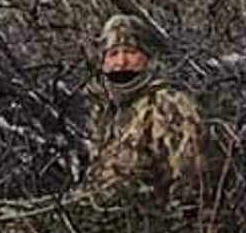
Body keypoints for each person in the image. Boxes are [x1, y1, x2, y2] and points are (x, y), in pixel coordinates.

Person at [82, 14, 205, 201]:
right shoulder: (104, 110)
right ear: (103, 62)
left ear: (148, 57)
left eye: (130, 52)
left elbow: (191, 178)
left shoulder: (167, 104)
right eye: (113, 54)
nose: (121, 62)